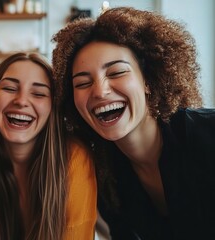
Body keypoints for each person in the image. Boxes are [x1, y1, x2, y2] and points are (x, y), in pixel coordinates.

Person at [52, 7, 215, 239]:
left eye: (116, 72)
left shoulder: (208, 135)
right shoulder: (104, 176)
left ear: (148, 80)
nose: (99, 91)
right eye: (82, 83)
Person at [0, 52, 97, 240]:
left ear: (53, 108)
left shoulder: (75, 160)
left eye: (38, 93)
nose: (21, 101)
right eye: (10, 88)